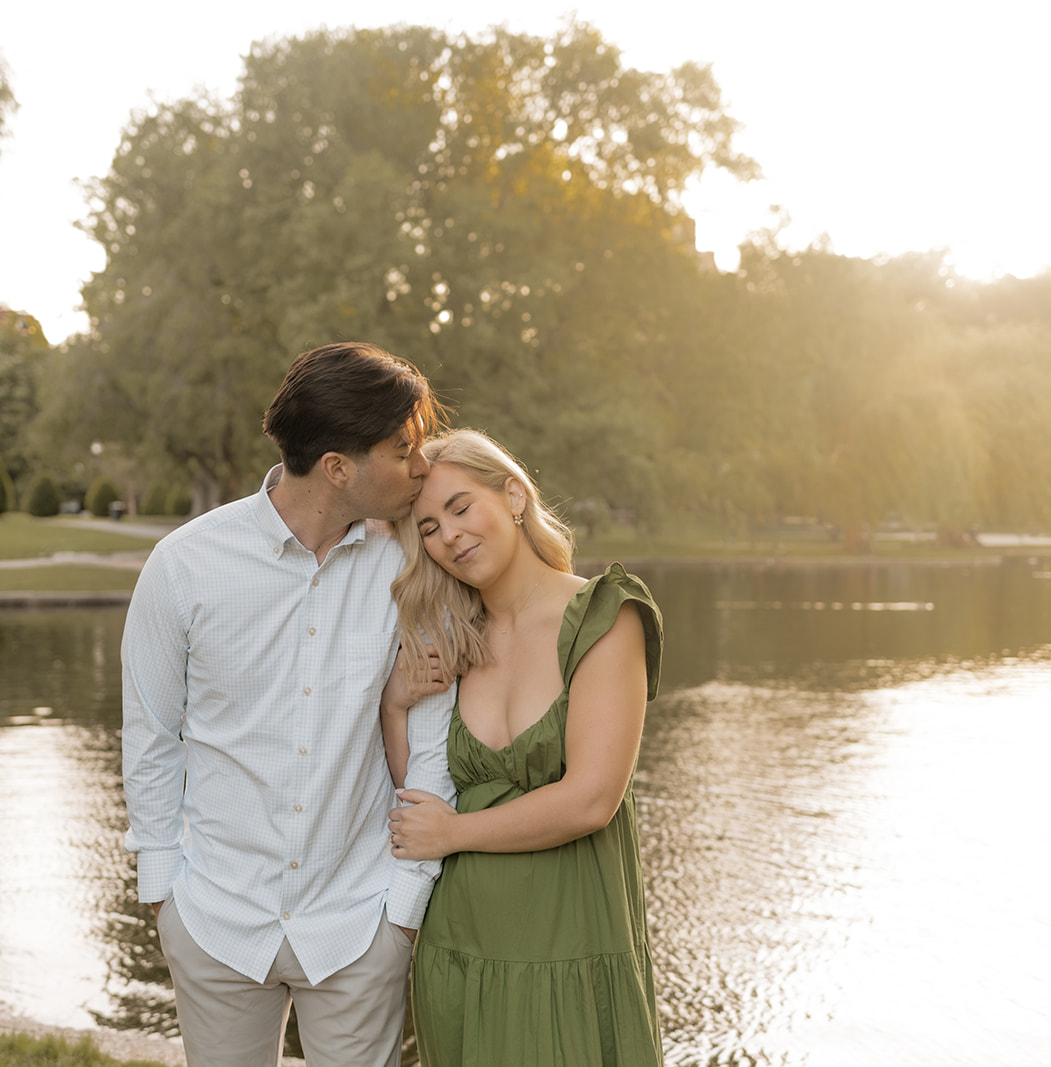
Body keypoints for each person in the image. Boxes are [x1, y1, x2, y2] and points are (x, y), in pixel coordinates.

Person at [121, 342, 455, 1067]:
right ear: (338, 467)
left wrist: (403, 906)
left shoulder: (415, 568)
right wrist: (163, 893)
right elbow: (152, 735)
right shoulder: (184, 566)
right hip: (213, 916)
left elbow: (432, 739)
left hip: (361, 918)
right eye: (403, 449)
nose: (422, 467)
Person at [381, 428, 665, 1067]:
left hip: (573, 942)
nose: (449, 535)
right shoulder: (451, 637)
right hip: (461, 946)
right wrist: (394, 705)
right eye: (427, 527)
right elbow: (419, 798)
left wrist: (453, 833)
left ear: (513, 496)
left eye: (460, 507)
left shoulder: (604, 616)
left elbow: (591, 798)